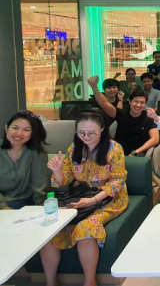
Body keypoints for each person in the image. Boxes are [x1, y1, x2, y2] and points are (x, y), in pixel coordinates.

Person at [41, 110, 128, 286]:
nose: (86, 137)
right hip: (82, 195)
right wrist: (57, 171)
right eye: (81, 133)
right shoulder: (74, 149)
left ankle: (90, 281)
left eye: (91, 133)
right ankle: (50, 282)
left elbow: (117, 181)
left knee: (86, 229)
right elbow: (63, 180)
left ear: (102, 129)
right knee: (50, 231)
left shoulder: (114, 149)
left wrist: (93, 200)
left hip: (109, 198)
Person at [0, 111, 48, 210]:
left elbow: (39, 185)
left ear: (32, 134)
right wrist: (2, 206)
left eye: (26, 130)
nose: (19, 133)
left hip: (19, 197)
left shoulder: (37, 152)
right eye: (15, 128)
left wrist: (42, 208)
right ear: (6, 128)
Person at [88, 75, 159, 156]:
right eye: (136, 101)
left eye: (142, 102)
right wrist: (94, 87)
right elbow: (104, 104)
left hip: (139, 154)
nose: (138, 105)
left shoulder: (149, 117)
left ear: (145, 104)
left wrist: (135, 152)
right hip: (119, 153)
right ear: (130, 102)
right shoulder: (122, 114)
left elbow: (155, 139)